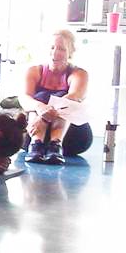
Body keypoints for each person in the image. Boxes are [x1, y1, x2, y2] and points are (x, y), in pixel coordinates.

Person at [19, 29, 91, 164]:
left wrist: (44, 116)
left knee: (63, 99)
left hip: (71, 137)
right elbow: (24, 98)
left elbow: (74, 97)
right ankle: (36, 143)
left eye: (62, 49)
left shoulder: (79, 74)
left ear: (70, 53)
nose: (55, 52)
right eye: (52, 47)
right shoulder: (34, 71)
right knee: (40, 98)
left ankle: (56, 144)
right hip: (33, 131)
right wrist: (40, 109)